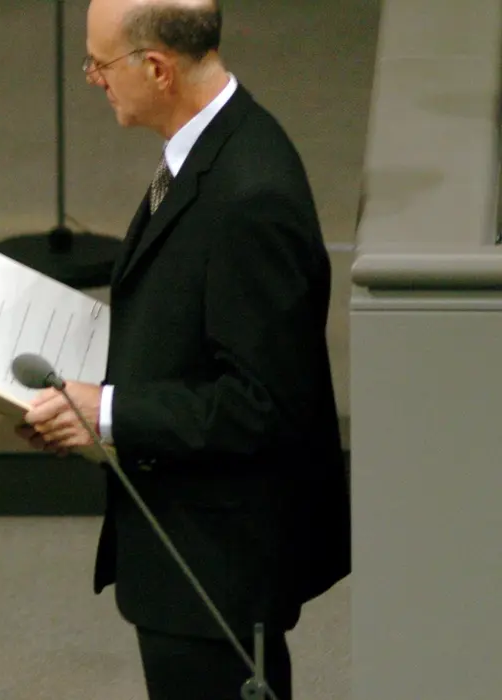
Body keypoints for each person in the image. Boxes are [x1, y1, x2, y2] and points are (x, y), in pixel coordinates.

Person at [18, 0, 350, 698]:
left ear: (158, 67)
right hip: (187, 546)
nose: (92, 78)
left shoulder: (249, 194)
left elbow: (263, 408)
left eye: (100, 64)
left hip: (217, 565)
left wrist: (104, 412)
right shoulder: (212, 147)